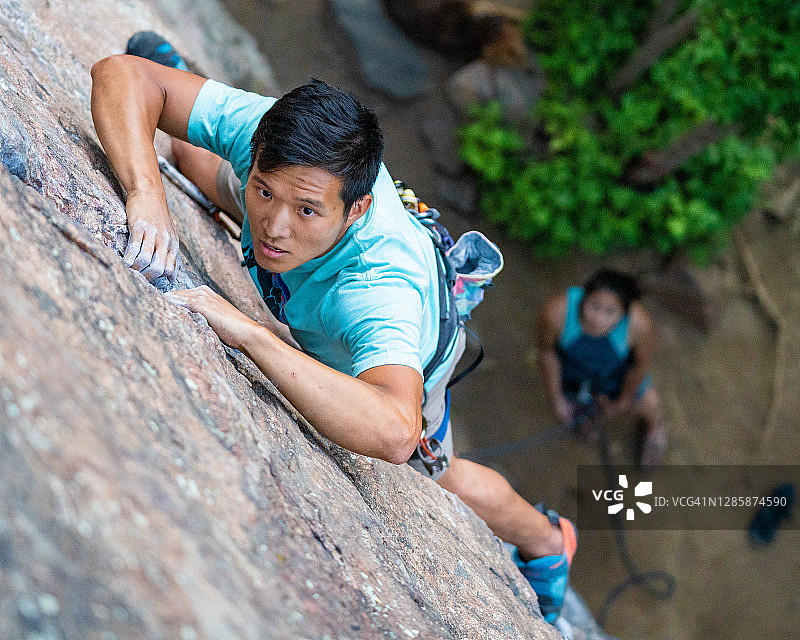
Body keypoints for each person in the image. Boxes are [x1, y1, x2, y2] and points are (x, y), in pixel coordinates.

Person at [89, 32, 577, 624]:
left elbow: (396, 431)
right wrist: (147, 195)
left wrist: (252, 336)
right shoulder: (274, 149)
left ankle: (549, 543)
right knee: (187, 156)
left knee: (441, 473)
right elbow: (122, 73)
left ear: (357, 209)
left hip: (423, 332)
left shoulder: (374, 293)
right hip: (314, 224)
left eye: (306, 210)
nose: (273, 226)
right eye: (263, 191)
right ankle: (190, 89)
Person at [536, 268, 668, 466]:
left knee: (649, 403)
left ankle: (655, 429)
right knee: (578, 406)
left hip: (614, 376)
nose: (598, 319)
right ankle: (586, 420)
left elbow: (639, 365)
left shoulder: (639, 325)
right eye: (594, 306)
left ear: (623, 313)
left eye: (610, 312)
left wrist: (623, 401)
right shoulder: (556, 313)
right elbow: (547, 352)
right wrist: (557, 398)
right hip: (572, 376)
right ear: (584, 297)